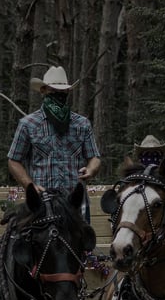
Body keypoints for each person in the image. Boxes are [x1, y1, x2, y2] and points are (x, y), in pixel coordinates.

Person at [7, 66, 101, 201]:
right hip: (41, 201)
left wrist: (91, 170)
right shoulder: (28, 124)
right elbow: (14, 160)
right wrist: (29, 185)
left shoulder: (82, 124)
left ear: (68, 91)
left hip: (75, 201)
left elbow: (94, 157)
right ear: (43, 90)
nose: (59, 94)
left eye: (62, 91)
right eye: (54, 90)